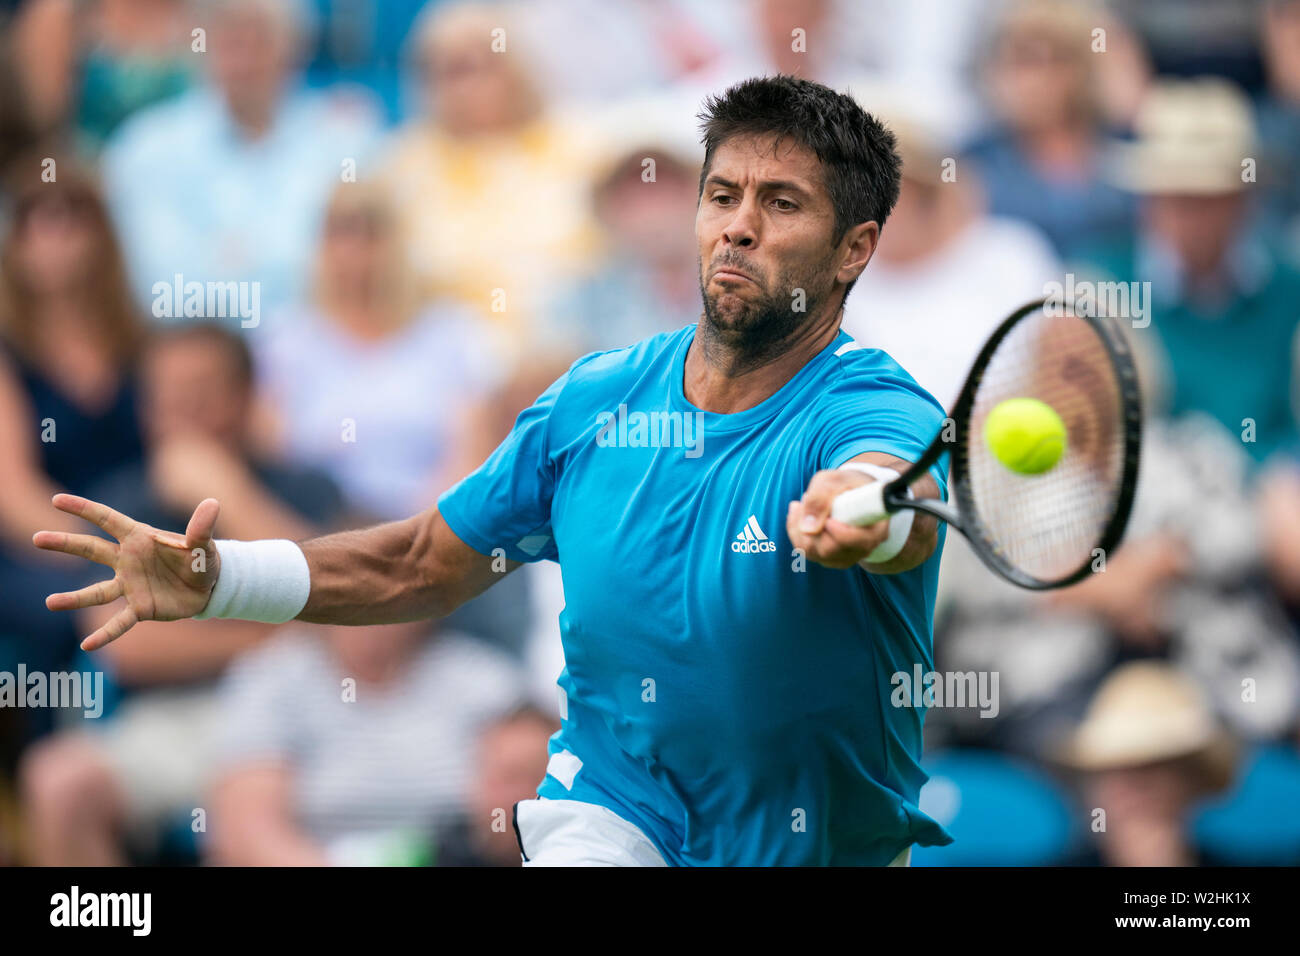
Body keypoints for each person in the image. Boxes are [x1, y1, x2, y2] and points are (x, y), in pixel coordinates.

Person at [37, 75, 954, 867]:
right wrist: (223, 577)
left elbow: (896, 496)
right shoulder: (594, 402)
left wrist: (860, 511)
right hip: (613, 813)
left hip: (826, 843)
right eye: (722, 196)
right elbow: (419, 562)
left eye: (783, 204)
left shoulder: (874, 410)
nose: (739, 229)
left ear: (854, 248)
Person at [18, 323, 345, 865]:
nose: (182, 416)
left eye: (201, 396)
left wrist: (228, 492)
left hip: (308, 716)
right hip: (180, 722)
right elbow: (126, 649)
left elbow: (345, 609)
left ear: (246, 398)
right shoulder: (121, 502)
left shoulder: (306, 488)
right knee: (57, 782)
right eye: (166, 399)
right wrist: (275, 635)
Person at [100, 0, 379, 316]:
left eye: (260, 40)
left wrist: (228, 268)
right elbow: (157, 285)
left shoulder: (346, 142)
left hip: (313, 357)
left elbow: (357, 274)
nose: (244, 60)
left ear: (295, 50)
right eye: (230, 40)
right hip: (193, 350)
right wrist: (281, 278)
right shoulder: (145, 148)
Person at [207, 619, 528, 866]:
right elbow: (246, 829)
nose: (373, 615)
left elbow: (521, 805)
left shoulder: (482, 677)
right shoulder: (273, 674)